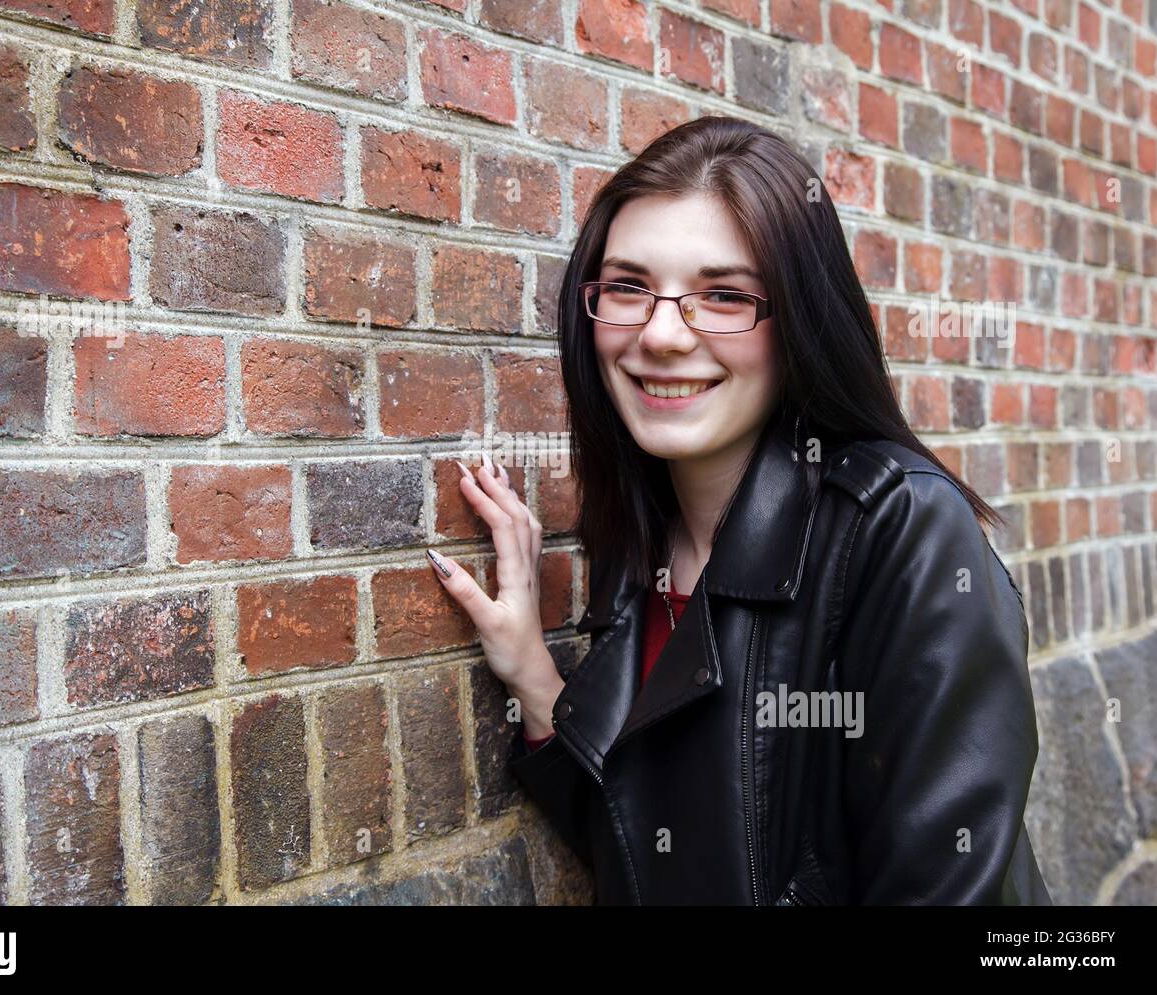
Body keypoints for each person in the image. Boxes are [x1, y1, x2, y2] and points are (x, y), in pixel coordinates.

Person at [424, 115, 1052, 906]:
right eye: (629, 287)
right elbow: (654, 851)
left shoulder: (900, 529)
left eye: (723, 295)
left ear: (801, 319)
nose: (660, 334)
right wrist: (532, 670)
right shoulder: (636, 547)